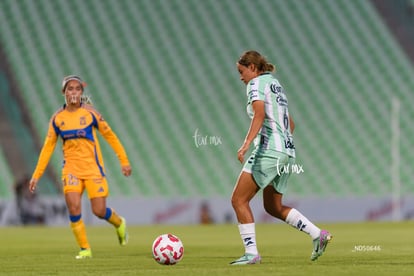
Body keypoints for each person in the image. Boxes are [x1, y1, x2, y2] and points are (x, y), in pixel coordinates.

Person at [230, 50, 332, 265]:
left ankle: (251, 254)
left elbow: (259, 114)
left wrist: (247, 143)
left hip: (270, 150)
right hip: (287, 151)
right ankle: (317, 234)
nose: (241, 77)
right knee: (273, 207)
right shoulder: (275, 85)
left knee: (239, 200)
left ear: (253, 68)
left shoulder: (255, 84)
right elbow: (290, 124)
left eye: (242, 71)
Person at [29, 75, 132, 259]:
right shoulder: (57, 119)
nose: (74, 92)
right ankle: (85, 249)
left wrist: (123, 161)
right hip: (71, 170)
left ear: (81, 93)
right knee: (74, 207)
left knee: (99, 211)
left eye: (77, 89)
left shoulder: (91, 114)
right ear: (64, 92)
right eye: (70, 88)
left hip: (93, 169)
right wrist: (36, 175)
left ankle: (119, 223)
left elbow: (111, 136)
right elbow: (47, 148)